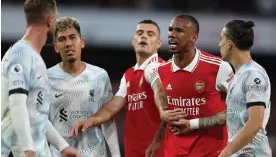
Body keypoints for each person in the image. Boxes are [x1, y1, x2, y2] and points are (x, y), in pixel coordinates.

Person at [70, 20, 184, 157]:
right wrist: (91, 120)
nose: (144, 37)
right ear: (133, 41)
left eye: (150, 34)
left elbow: (159, 88)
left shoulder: (160, 68)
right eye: (140, 33)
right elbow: (112, 107)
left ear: (159, 43)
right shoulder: (129, 74)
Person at [1, 0, 80, 157]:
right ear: (50, 20)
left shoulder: (36, 59)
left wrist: (63, 147)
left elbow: (36, 113)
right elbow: (17, 105)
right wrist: (28, 149)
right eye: (56, 17)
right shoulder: (20, 55)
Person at [146, 15, 234, 157]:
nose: (172, 35)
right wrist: (157, 139)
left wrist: (192, 124)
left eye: (179, 31)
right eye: (170, 30)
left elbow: (235, 112)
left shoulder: (218, 68)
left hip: (211, 153)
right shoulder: (162, 71)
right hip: (173, 152)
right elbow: (170, 114)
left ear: (194, 38)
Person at [47, 16, 121, 157]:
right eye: (62, 39)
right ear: (56, 47)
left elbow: (108, 120)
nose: (68, 43)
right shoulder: (45, 78)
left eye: (72, 37)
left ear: (81, 42)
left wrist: (116, 155)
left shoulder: (99, 76)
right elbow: (41, 123)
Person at [218, 20, 271, 157]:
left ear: (229, 44)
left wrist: (227, 151)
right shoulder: (239, 75)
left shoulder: (253, 75)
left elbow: (255, 123)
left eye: (221, 39)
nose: (219, 44)